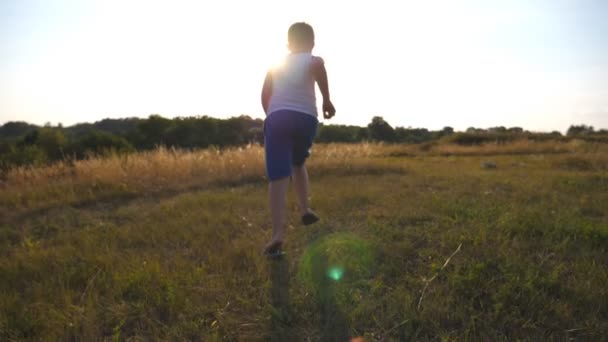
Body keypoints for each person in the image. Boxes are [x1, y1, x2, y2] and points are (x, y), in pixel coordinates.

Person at [261, 22, 336, 257]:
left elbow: (265, 94)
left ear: (287, 44)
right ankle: (305, 209)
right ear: (312, 44)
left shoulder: (276, 66)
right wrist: (326, 99)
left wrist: (272, 115)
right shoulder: (311, 59)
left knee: (278, 177)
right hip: (306, 119)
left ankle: (277, 234)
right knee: (298, 162)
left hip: (278, 118)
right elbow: (318, 65)